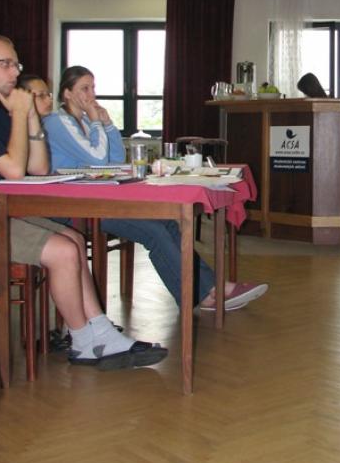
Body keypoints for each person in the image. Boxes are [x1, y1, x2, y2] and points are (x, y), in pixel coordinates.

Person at [0, 35, 168, 370]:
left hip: (5, 212)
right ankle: (84, 340)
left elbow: (38, 167)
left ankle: (100, 331)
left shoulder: (3, 114)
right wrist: (22, 113)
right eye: (6, 64)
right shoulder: (9, 114)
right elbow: (15, 171)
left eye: (16, 64)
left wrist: (29, 118)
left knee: (74, 239)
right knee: (63, 251)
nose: (15, 71)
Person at [39, 66, 268, 312]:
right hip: (76, 205)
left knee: (166, 222)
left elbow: (116, 160)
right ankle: (205, 292)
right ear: (67, 94)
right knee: (154, 232)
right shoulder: (57, 122)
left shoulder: (85, 122)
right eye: (84, 88)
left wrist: (107, 125)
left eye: (93, 87)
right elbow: (96, 158)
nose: (92, 94)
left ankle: (209, 288)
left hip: (100, 197)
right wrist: (97, 123)